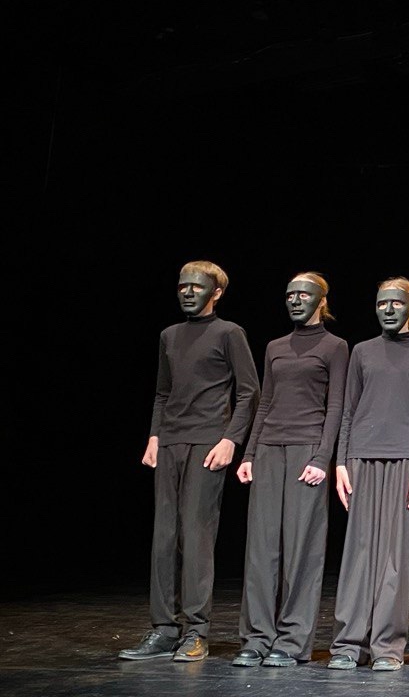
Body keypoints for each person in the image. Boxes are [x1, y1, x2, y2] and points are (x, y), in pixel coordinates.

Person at [118, 260, 259, 663]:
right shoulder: (169, 335)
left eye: (197, 286)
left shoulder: (229, 333)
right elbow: (163, 393)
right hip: (170, 442)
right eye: (182, 286)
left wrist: (231, 439)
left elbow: (249, 391)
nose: (188, 292)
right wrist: (154, 435)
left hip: (207, 443)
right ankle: (164, 629)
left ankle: (196, 631)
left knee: (196, 537)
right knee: (164, 537)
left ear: (217, 293)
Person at [233, 272, 349, 668]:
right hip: (268, 449)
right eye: (290, 295)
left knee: (302, 550)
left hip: (306, 450)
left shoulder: (335, 346)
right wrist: (249, 454)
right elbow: (264, 402)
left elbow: (336, 406)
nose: (296, 300)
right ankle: (256, 637)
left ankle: (292, 640)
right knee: (261, 549)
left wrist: (322, 458)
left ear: (321, 300)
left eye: (304, 294)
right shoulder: (274, 347)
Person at [327, 277, 409, 673]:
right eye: (381, 303)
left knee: (394, 555)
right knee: (358, 553)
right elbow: (348, 410)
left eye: (396, 303)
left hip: (405, 459)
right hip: (361, 457)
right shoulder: (362, 351)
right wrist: (341, 462)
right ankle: (348, 643)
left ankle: (387, 646)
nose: (388, 309)